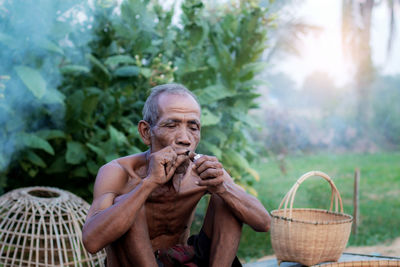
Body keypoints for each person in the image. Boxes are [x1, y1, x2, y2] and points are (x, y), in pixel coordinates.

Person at [82, 83, 271, 267]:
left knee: (226, 197)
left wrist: (223, 188)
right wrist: (149, 184)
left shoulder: (202, 171)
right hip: (130, 263)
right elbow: (92, 242)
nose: (184, 138)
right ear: (146, 132)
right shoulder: (119, 171)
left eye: (193, 127)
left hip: (180, 258)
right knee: (129, 203)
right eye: (171, 125)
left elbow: (264, 223)